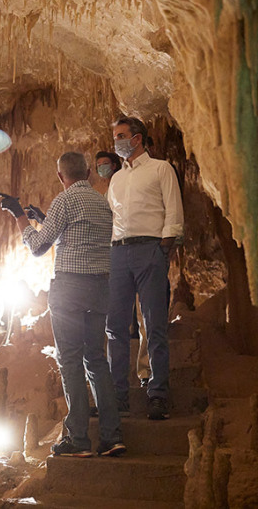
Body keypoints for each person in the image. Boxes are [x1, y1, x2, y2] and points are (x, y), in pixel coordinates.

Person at [0, 152, 125, 457]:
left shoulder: (64, 200)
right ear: (89, 173)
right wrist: (44, 220)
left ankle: (78, 439)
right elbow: (78, 237)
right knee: (96, 360)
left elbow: (38, 247)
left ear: (60, 176)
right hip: (100, 288)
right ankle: (112, 437)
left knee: (70, 360)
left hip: (70, 289)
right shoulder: (102, 203)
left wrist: (18, 215)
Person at [106, 117, 183, 420]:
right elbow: (112, 218)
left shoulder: (161, 169)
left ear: (137, 139)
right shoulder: (116, 179)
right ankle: (117, 396)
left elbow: (173, 212)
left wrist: (163, 249)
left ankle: (158, 393)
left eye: (121, 136)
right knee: (115, 327)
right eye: (115, 137)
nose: (116, 142)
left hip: (150, 249)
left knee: (154, 325)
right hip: (118, 252)